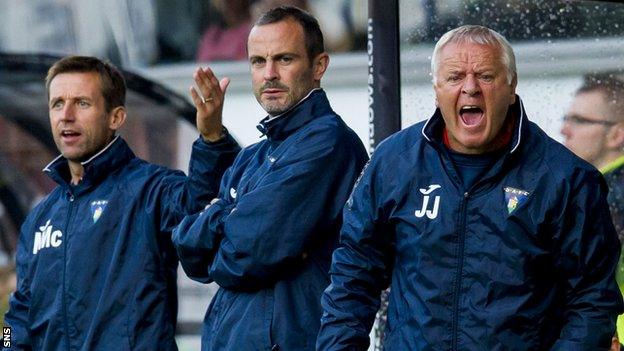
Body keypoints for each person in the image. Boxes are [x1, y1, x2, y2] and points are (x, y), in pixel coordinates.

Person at [317, 25, 623, 350]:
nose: (470, 88)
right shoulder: (395, 163)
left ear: (511, 86)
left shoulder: (565, 178)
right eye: (454, 77)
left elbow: (592, 301)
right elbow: (353, 275)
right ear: (436, 88)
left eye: (486, 76)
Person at [3, 55, 241, 350]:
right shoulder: (40, 218)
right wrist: (5, 344)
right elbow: (16, 318)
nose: (66, 115)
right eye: (57, 104)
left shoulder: (151, 190)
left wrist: (211, 139)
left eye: (82, 103)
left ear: (115, 117)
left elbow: (201, 206)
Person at [172, 6, 368, 351]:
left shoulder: (327, 143)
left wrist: (219, 214)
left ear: (318, 65)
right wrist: (213, 144)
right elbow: (192, 258)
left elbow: (244, 255)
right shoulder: (253, 156)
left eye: (284, 59)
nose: (269, 74)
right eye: (258, 62)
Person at [561, 73, 624, 351]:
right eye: (566, 118)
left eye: (579, 120)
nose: (565, 129)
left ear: (617, 134)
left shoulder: (608, 195)